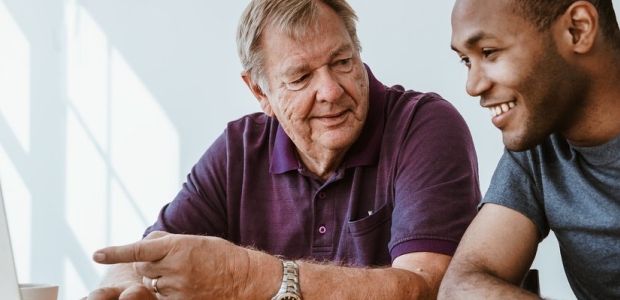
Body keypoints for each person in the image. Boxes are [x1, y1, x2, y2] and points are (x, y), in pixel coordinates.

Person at [82, 0, 481, 299]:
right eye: (301, 76)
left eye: (342, 61)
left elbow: (427, 289)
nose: (329, 91)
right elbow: (148, 257)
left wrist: (247, 276)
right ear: (260, 91)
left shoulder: (423, 126)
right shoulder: (239, 148)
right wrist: (123, 286)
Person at [440, 0, 620, 299]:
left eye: (489, 52)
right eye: (466, 60)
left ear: (577, 29)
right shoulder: (536, 150)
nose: (472, 86)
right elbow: (461, 288)